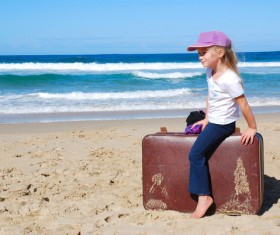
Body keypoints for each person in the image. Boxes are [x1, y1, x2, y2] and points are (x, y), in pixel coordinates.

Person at [186, 31, 257, 219]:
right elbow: (211, 97)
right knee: (192, 120)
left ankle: (204, 197)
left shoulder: (230, 79)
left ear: (220, 53)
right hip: (214, 121)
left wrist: (252, 127)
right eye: (198, 54)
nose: (200, 57)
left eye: (203, 52)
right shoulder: (211, 72)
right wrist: (206, 119)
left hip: (223, 125)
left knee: (195, 153)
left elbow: (243, 104)